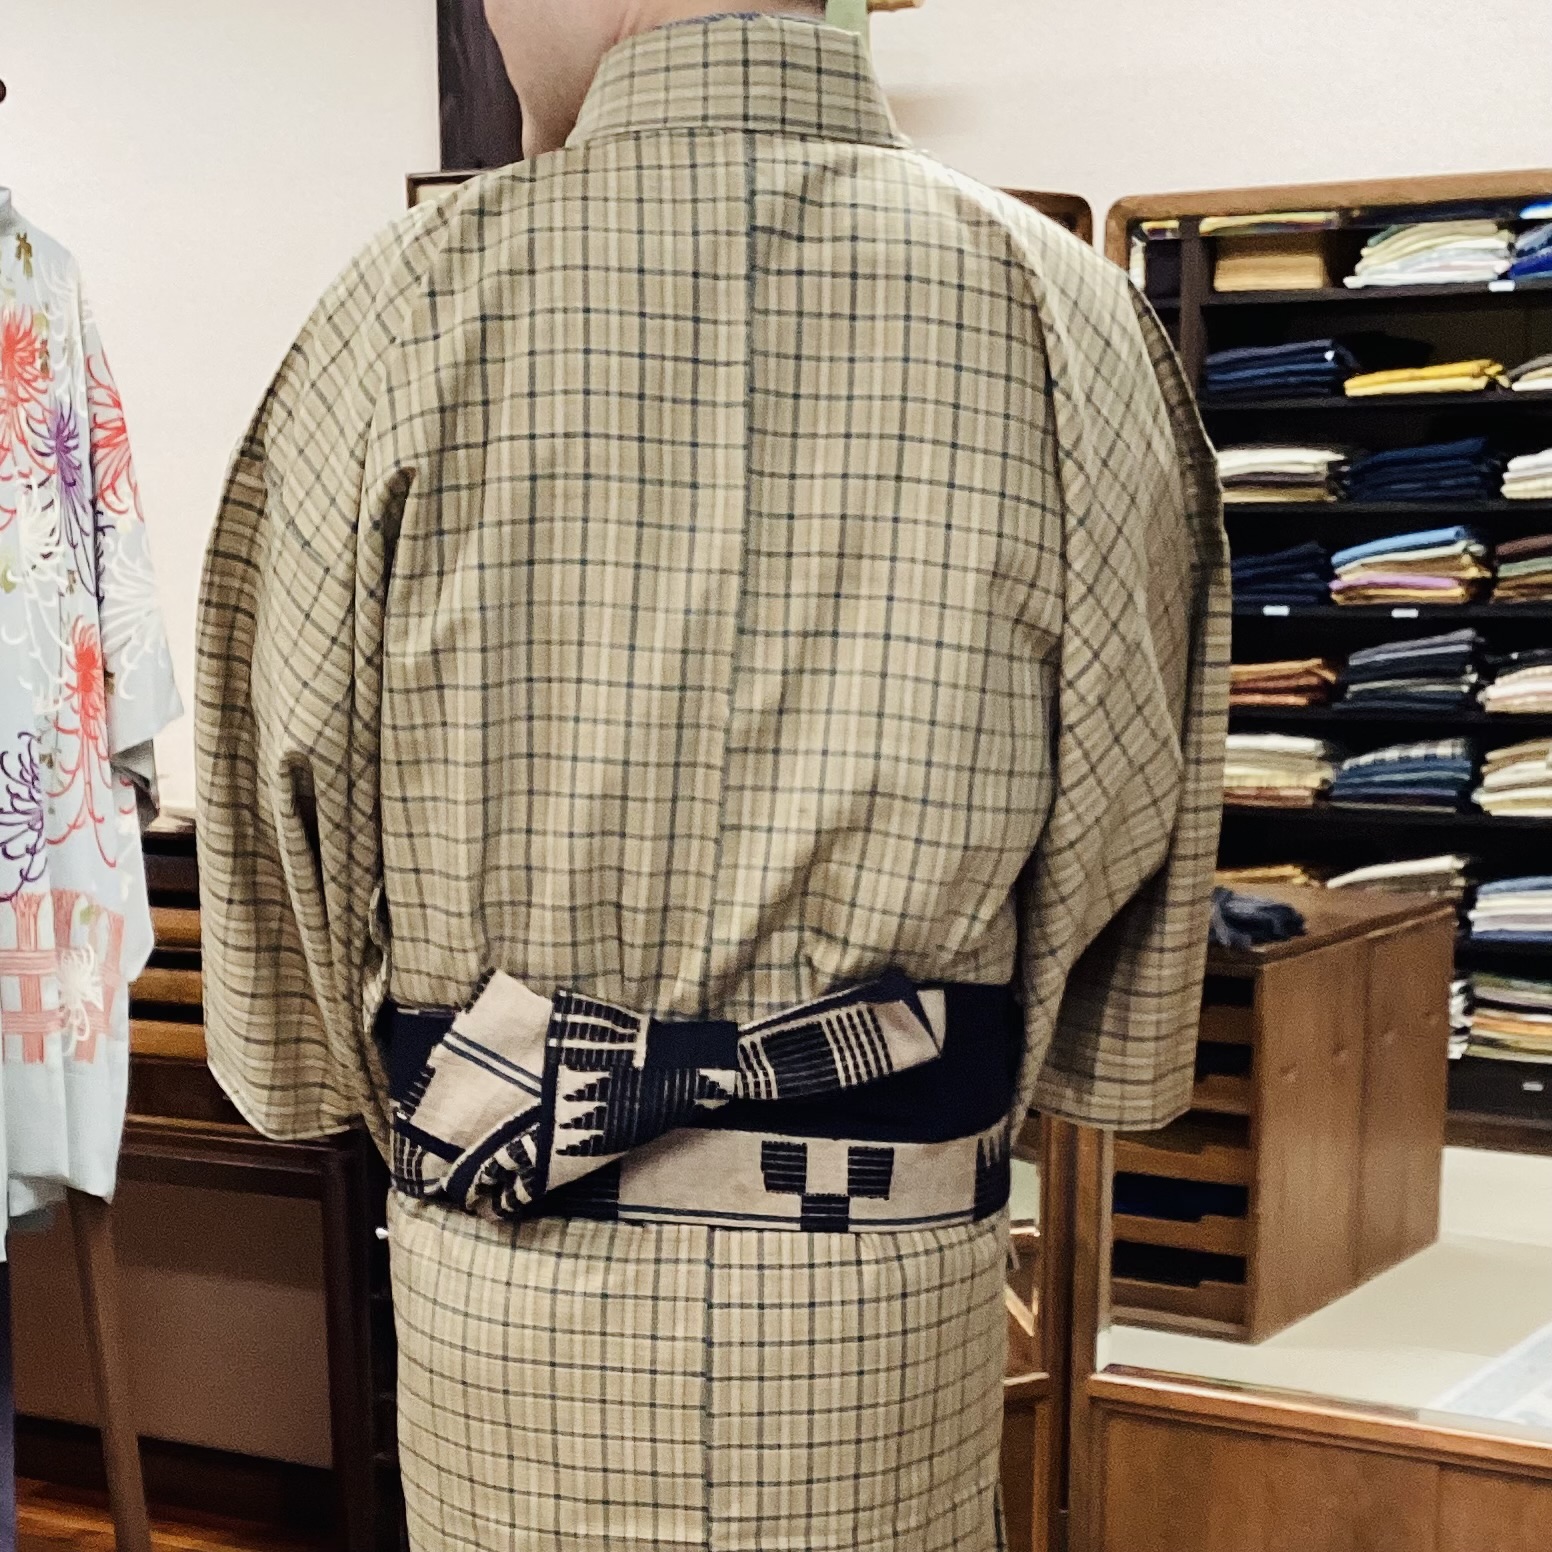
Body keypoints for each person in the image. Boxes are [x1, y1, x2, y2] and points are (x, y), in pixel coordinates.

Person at [195, 2, 1228, 1547]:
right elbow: (1134, 814)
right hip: (880, 1311)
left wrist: (407, 1080)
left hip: (511, 1281)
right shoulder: (1065, 318)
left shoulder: (393, 311)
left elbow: (283, 803)